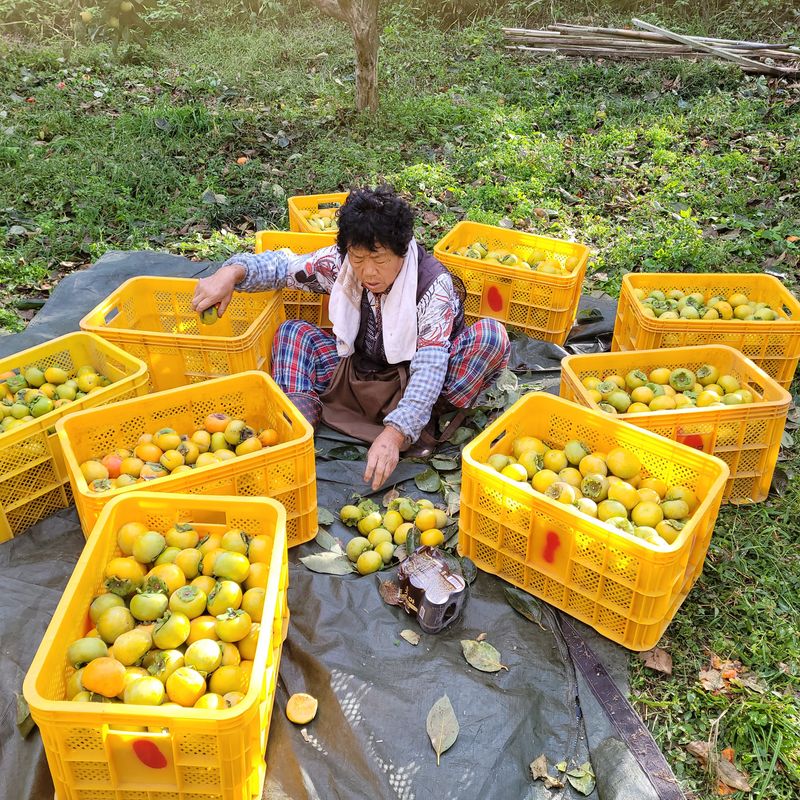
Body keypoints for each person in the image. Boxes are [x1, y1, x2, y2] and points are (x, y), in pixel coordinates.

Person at [192, 186, 509, 490]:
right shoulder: (342, 265)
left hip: (414, 382)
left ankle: (419, 425)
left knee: (491, 337)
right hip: (361, 372)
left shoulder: (432, 287)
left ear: (401, 251)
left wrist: (395, 435)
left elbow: (429, 369)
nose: (368, 271)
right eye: (359, 259)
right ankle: (298, 428)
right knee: (293, 333)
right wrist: (230, 274)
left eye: (379, 259)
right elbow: (283, 266)